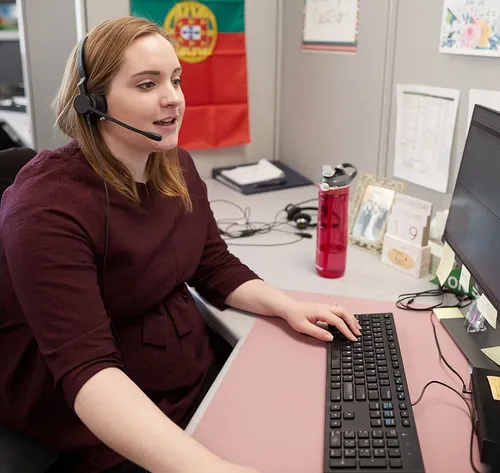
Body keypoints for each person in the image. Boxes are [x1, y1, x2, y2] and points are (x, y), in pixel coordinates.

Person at [0, 16, 361, 473]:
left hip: (187, 380)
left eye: (175, 79)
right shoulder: (45, 206)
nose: (173, 97)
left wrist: (285, 305)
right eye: (147, 84)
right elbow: (89, 372)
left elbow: (211, 265)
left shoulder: (173, 164)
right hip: (101, 421)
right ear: (92, 102)